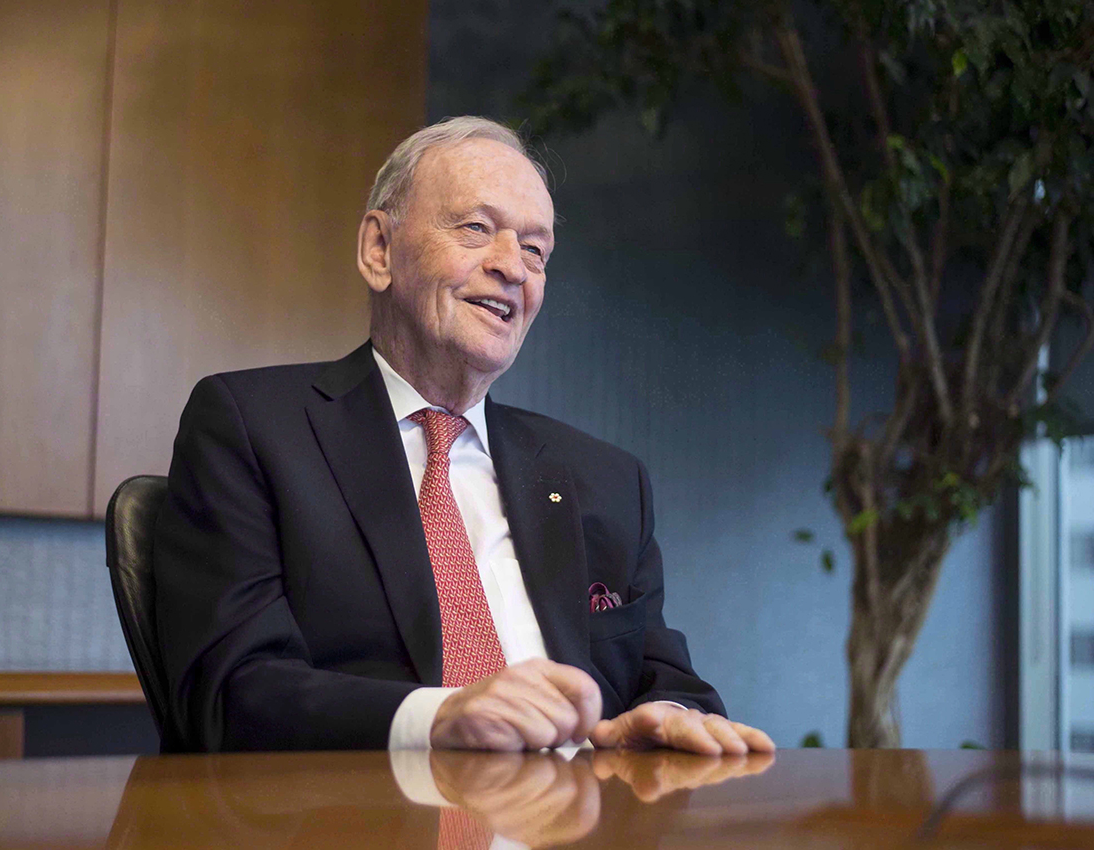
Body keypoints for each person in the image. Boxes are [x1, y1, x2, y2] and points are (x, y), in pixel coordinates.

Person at [153, 116, 774, 756]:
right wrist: (440, 719)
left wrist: (667, 716)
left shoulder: (606, 479)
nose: (513, 267)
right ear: (379, 250)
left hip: (580, 803)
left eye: (535, 250)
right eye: (477, 228)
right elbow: (229, 692)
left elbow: (669, 684)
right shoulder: (253, 427)